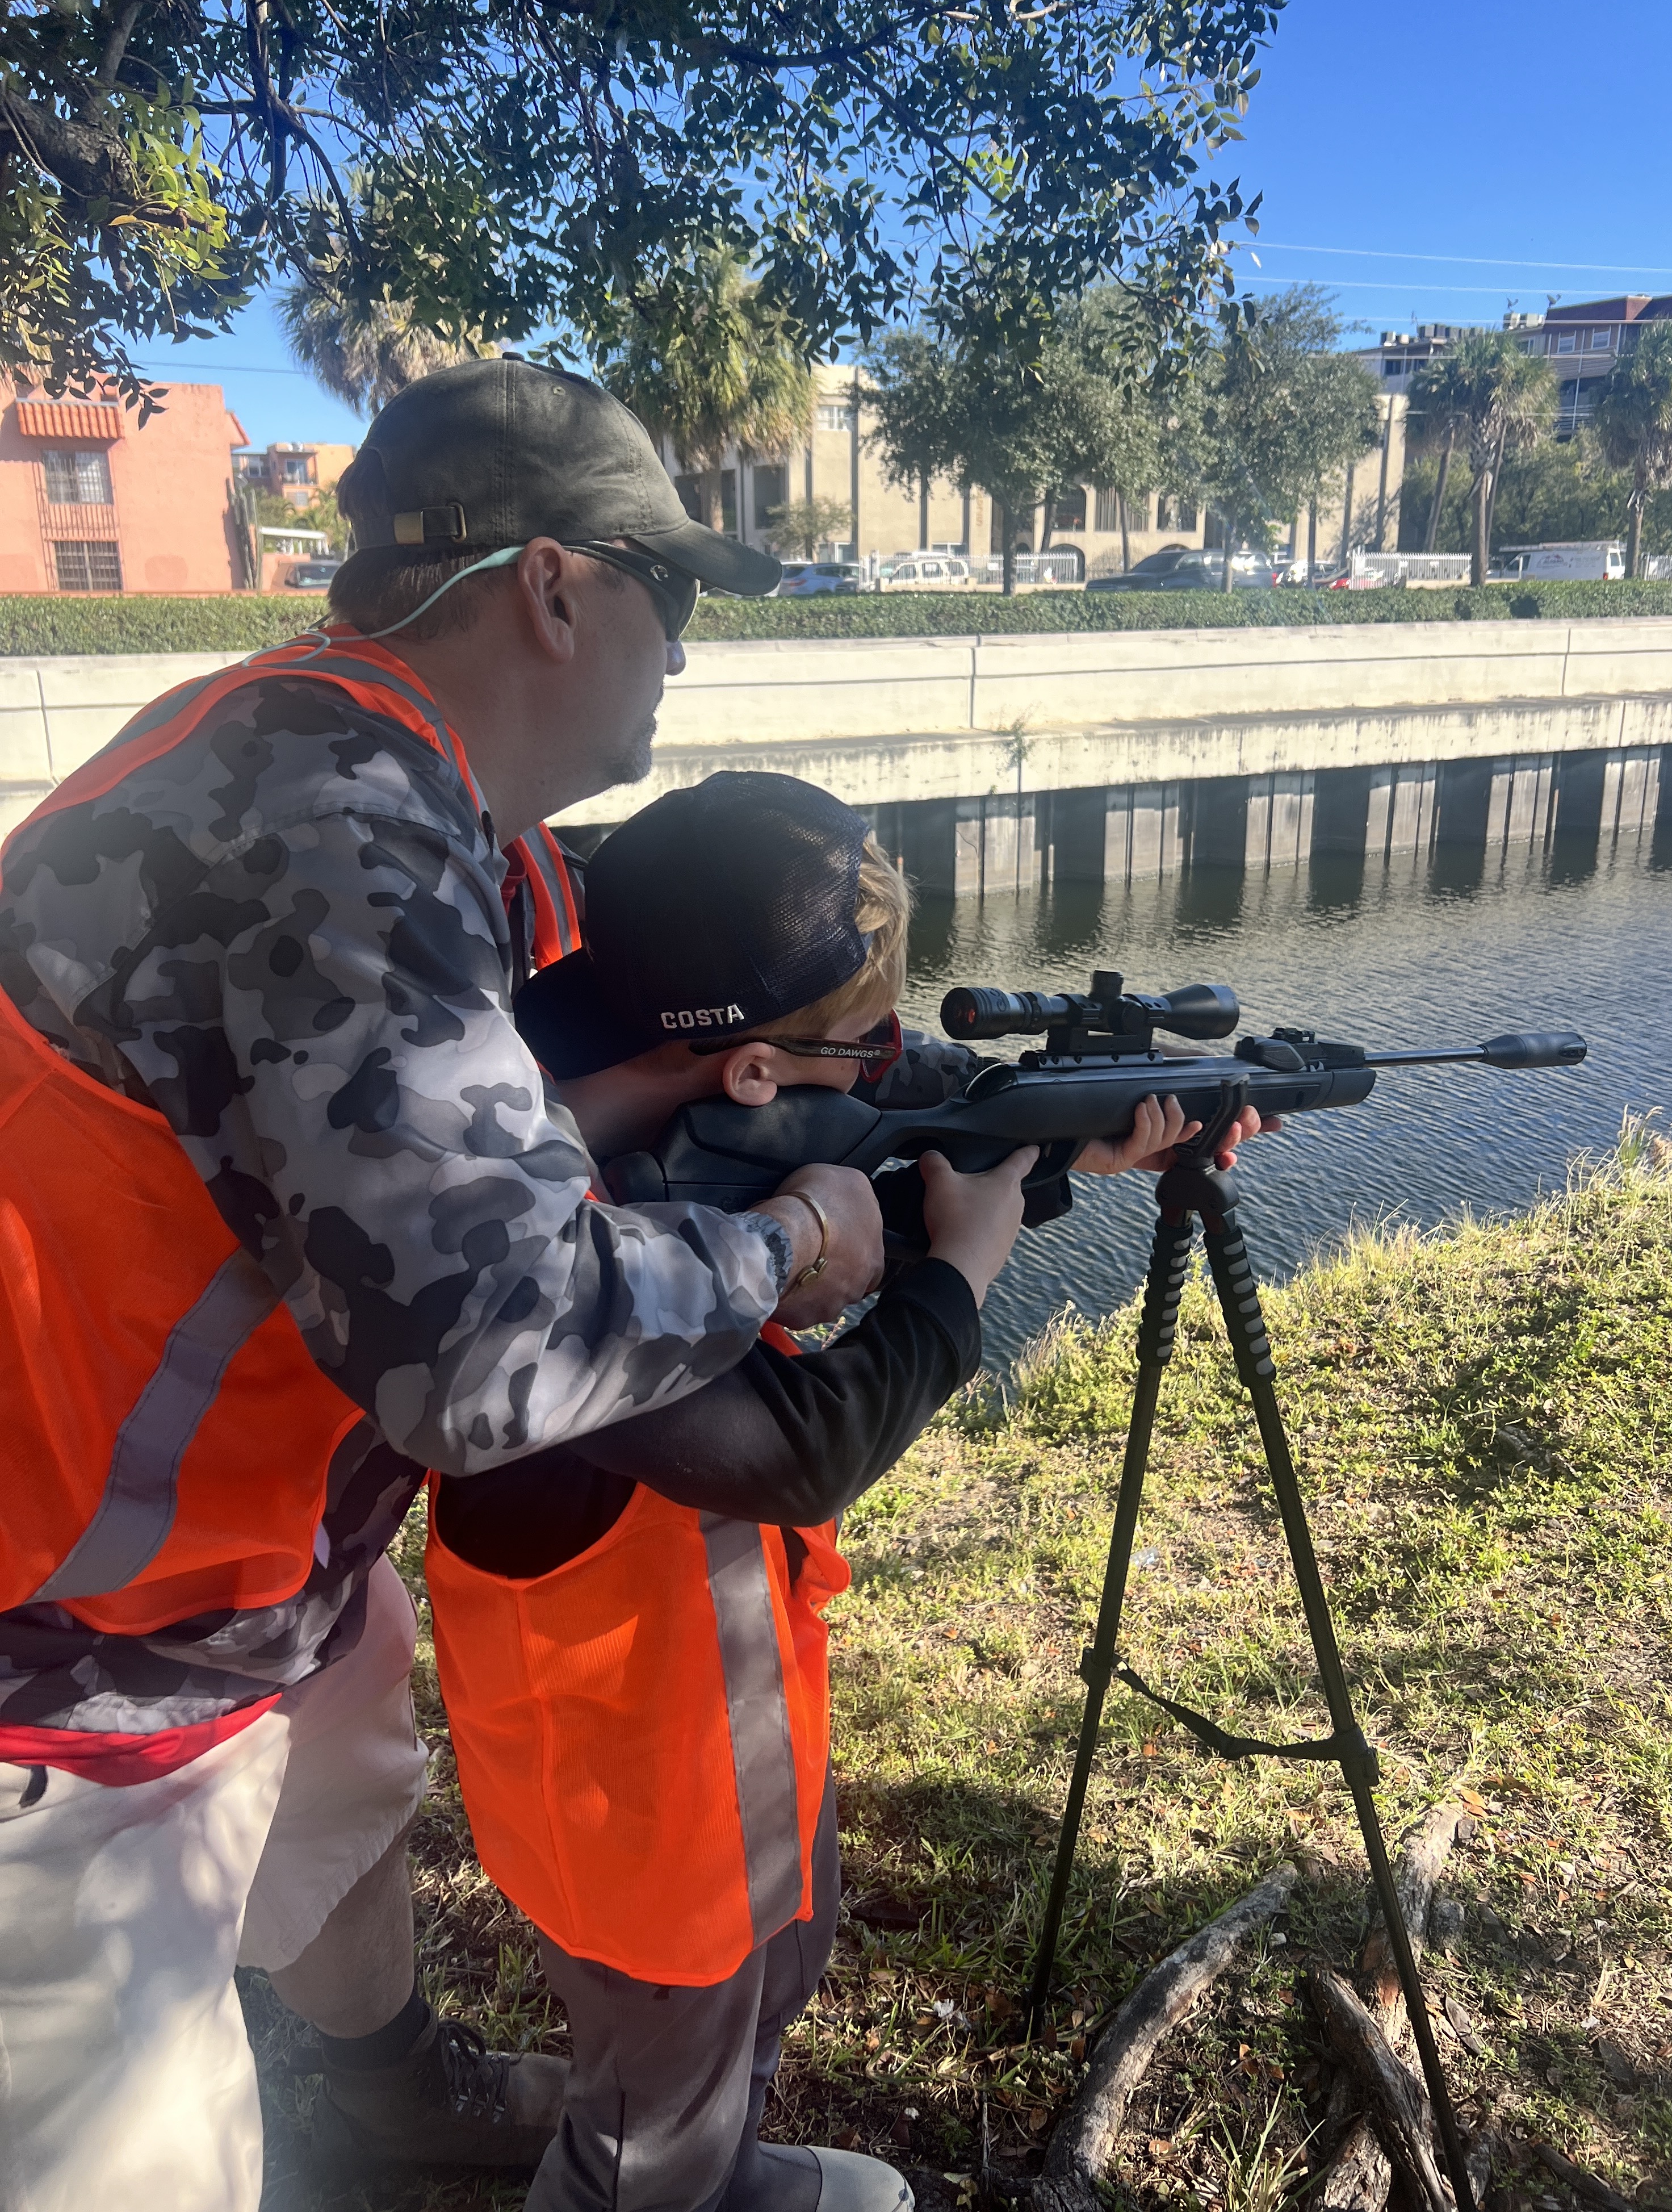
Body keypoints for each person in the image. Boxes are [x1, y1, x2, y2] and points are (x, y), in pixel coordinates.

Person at [0, 361, 890, 2211]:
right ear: (557, 588)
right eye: (679, 597)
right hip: (67, 1658)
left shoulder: (355, 772)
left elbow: (481, 1095)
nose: (685, 655)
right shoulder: (344, 813)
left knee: (345, 1773)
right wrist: (791, 1247)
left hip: (217, 1558)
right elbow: (489, 1357)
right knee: (131, 2160)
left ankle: (384, 2082)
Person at [420, 770, 1212, 2212]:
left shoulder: (588, 1083)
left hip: (722, 1729)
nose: (895, 1063)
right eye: (870, 1042)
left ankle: (726, 2168)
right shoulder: (551, 1236)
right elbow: (800, 1448)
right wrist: (965, 1271)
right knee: (650, 2095)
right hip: (627, 1777)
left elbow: (834, 1192)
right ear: (751, 1073)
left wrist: (1041, 1151)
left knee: (770, 1969)